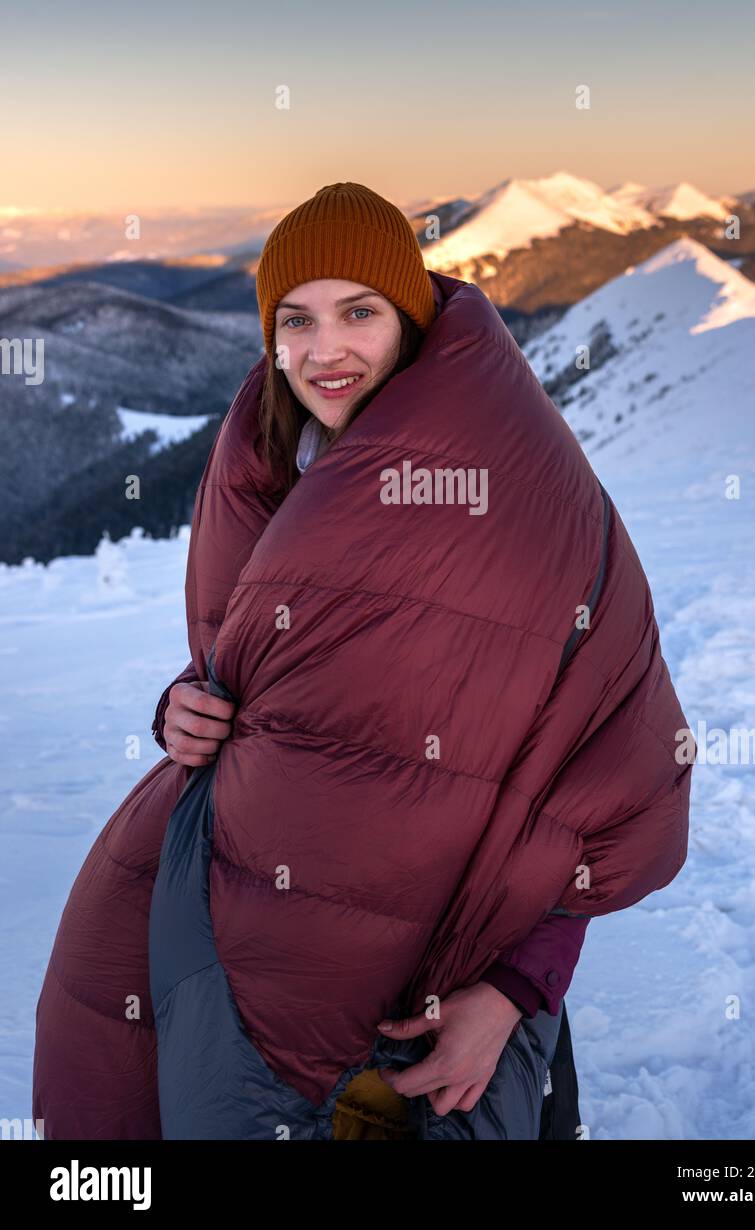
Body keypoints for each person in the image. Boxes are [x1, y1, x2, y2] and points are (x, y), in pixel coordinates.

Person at [33, 182, 691, 1141]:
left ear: (412, 322)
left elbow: (596, 769)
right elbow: (253, 673)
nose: (322, 350)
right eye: (294, 320)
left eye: (359, 313)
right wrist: (186, 708)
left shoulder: (512, 493)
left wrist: (514, 992)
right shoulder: (266, 460)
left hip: (448, 978)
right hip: (251, 939)